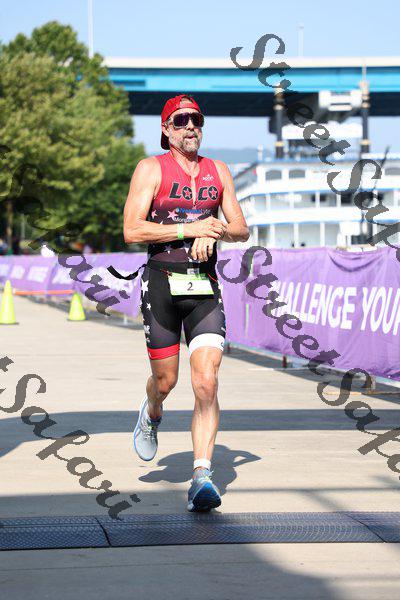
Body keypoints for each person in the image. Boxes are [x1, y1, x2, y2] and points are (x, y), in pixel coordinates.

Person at [124, 94, 249, 511]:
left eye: (196, 119)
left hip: (204, 287)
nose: (190, 126)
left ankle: (201, 476)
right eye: (180, 120)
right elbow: (132, 230)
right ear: (166, 129)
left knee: (207, 381)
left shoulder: (219, 170)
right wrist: (189, 229)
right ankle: (152, 411)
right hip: (161, 286)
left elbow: (241, 228)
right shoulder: (150, 169)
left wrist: (214, 230)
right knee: (166, 382)